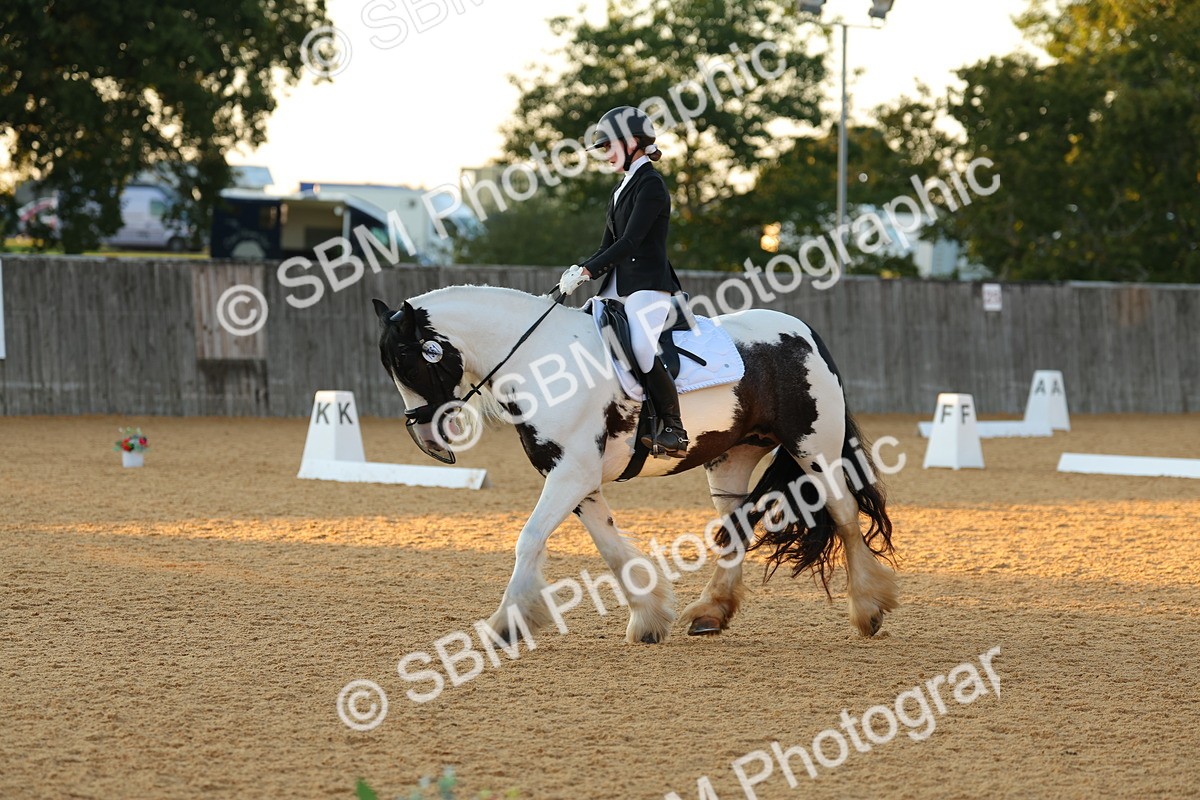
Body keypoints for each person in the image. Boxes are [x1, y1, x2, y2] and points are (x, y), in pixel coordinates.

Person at [558, 106, 689, 457]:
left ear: (632, 143)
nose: (604, 153)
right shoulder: (621, 189)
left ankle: (674, 429)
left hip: (648, 284)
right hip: (616, 285)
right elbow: (607, 245)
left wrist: (588, 272)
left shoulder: (652, 185)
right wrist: (579, 269)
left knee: (643, 351)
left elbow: (630, 242)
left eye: (608, 146)